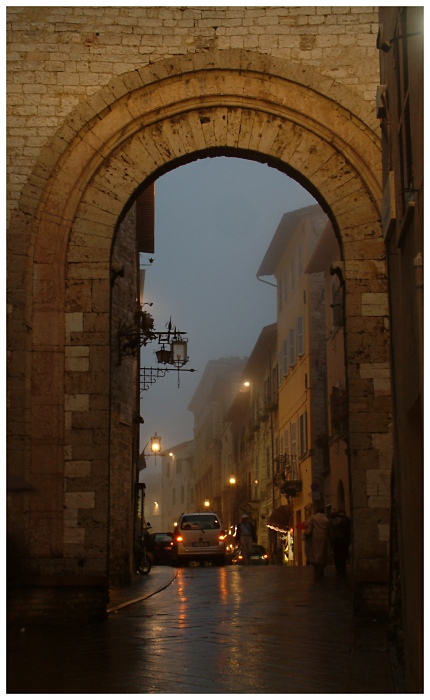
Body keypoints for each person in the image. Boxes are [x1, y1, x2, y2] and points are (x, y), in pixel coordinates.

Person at [306, 506, 330, 579]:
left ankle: (316, 569)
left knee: (315, 553)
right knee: (322, 553)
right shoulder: (326, 519)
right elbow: (329, 528)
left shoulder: (313, 518)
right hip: (324, 538)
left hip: (315, 537)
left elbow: (308, 524)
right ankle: (321, 569)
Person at [330, 510, 351, 575]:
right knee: (343, 555)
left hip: (335, 541)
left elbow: (331, 532)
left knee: (337, 556)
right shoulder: (346, 520)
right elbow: (348, 530)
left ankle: (338, 569)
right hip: (344, 540)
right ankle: (343, 568)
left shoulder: (332, 522)